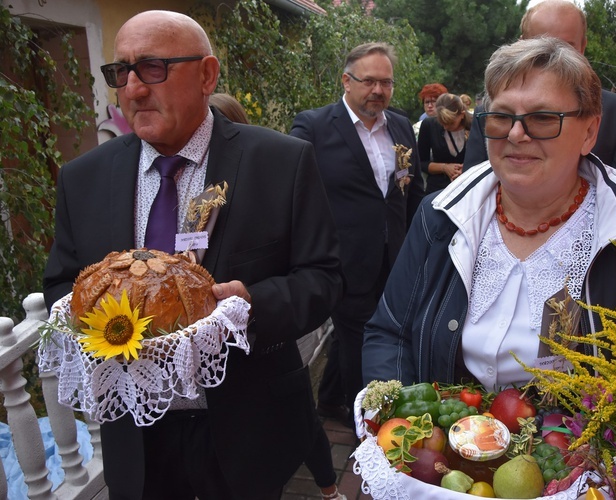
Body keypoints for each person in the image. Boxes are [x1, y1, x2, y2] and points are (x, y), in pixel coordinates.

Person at [43, 11, 344, 500]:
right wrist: (96, 324)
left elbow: (324, 278)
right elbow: (60, 283)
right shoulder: (83, 179)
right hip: (137, 437)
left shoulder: (280, 162)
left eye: (153, 68)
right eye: (121, 72)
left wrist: (249, 303)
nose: (134, 89)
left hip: (246, 428)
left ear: (207, 75)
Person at [362, 37, 616, 393]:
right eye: (502, 117)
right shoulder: (440, 217)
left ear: (589, 132)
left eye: (543, 118)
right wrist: (401, 428)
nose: (517, 134)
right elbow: (390, 332)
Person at [208, 93, 345, 500]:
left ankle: (329, 485)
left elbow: (314, 276)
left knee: (302, 418)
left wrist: (256, 301)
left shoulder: (274, 170)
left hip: (273, 347)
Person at [290, 42, 425, 428]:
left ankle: (330, 400)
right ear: (346, 81)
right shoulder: (314, 126)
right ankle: (365, 426)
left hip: (395, 256)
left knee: (357, 338)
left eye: (386, 83)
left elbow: (411, 193)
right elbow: (296, 195)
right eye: (369, 81)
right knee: (360, 341)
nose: (378, 91)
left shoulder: (400, 127)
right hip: (343, 260)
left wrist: (416, 249)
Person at [463, 0, 616, 196]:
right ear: (520, 43)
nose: (553, 57)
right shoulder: (489, 114)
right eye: (539, 44)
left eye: (565, 46)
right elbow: (471, 188)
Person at [418, 93, 472, 194]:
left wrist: (467, 168)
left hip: (469, 188)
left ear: (462, 115)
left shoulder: (475, 126)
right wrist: (445, 168)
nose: (445, 127)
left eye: (450, 123)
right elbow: (421, 163)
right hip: (438, 190)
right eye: (441, 122)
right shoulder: (429, 125)